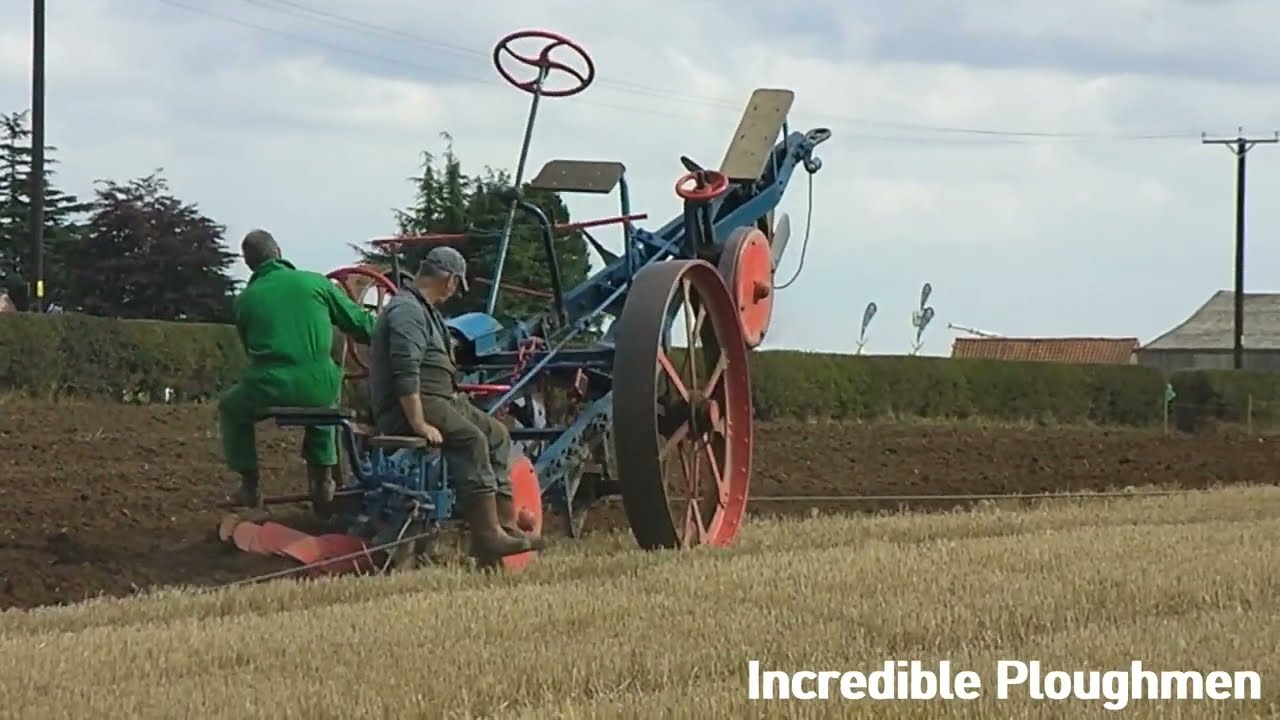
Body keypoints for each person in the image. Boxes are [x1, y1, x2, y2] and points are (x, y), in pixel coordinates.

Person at [367, 245, 545, 561]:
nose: (453, 293)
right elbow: (405, 370)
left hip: (440, 398)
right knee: (471, 440)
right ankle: (488, 536)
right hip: (411, 403)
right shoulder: (407, 311)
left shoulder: (426, 311)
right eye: (456, 286)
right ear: (449, 280)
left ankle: (503, 528)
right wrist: (419, 422)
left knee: (496, 434)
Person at [219, 229, 376, 509]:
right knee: (324, 401)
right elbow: (361, 325)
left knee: (231, 408)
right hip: (319, 385)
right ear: (279, 252)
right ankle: (323, 482)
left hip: (268, 386)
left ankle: (250, 486)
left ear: (249, 263)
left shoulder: (245, 300)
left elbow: (251, 350)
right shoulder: (316, 283)